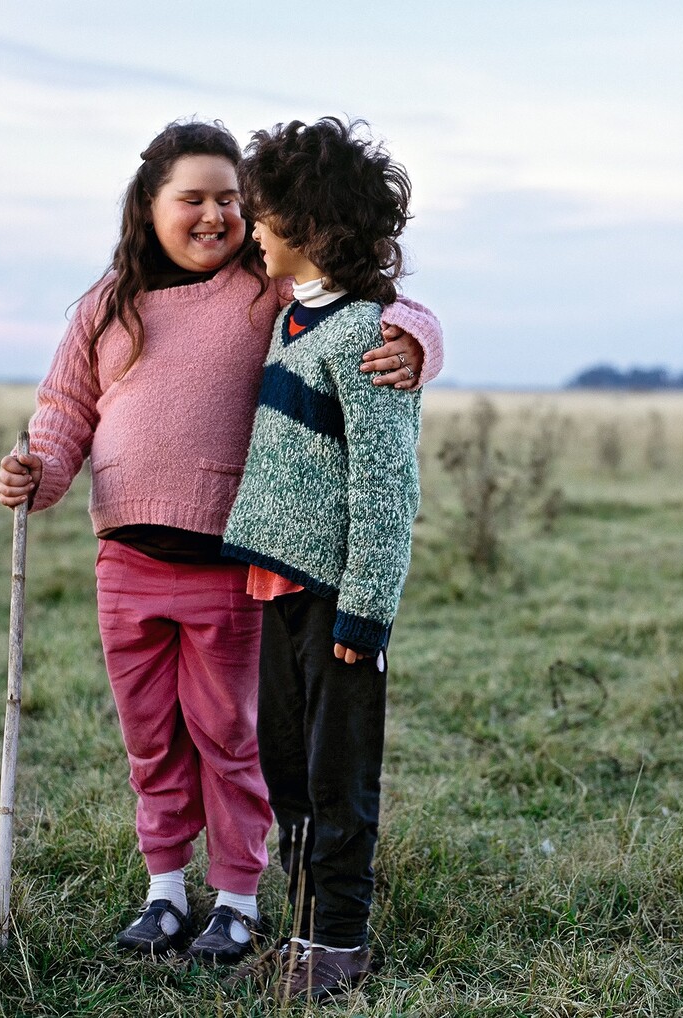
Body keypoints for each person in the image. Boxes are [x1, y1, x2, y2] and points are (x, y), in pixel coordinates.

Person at [0, 119, 442, 967]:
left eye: (232, 200)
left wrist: (420, 340)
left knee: (230, 738)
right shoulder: (108, 302)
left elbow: (365, 300)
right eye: (192, 198)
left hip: (230, 567)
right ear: (148, 205)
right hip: (124, 561)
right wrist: (36, 471)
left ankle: (237, 899)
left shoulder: (261, 285)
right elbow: (63, 413)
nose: (216, 215)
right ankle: (165, 890)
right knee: (151, 738)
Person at [219, 117, 421, 1001]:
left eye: (263, 214)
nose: (250, 227)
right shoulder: (292, 315)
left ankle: (339, 943)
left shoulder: (371, 338)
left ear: (308, 221)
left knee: (340, 776)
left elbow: (385, 486)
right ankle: (300, 930)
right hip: (277, 585)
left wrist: (367, 611)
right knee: (285, 766)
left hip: (338, 599)